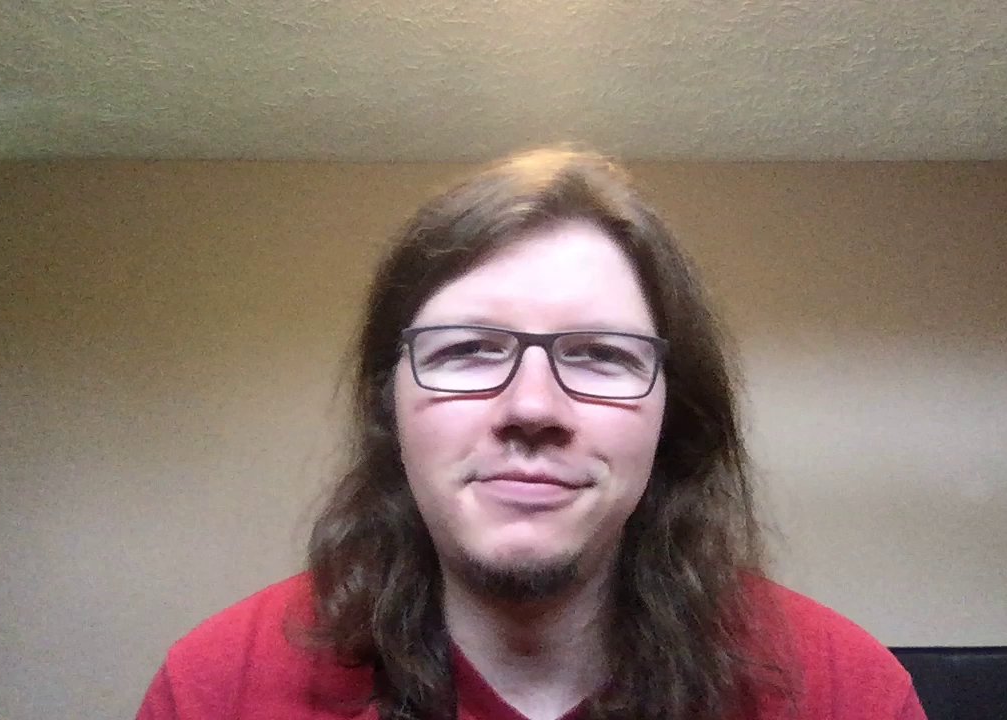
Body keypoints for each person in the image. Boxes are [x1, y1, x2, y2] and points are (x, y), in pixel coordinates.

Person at [135, 147, 926, 720]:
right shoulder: (218, 690)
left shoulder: (842, 693)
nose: (532, 406)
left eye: (602, 355)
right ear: (389, 404)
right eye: (468, 350)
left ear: (673, 412)